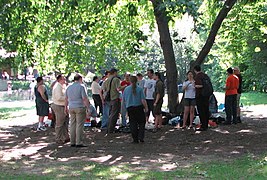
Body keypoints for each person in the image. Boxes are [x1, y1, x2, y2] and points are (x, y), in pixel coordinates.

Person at [65, 74, 91, 147]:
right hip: (79, 107)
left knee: (72, 124)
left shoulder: (68, 87)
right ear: (80, 79)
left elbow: (66, 98)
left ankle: (72, 141)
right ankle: (78, 142)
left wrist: (65, 107)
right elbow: (84, 98)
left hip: (71, 107)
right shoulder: (81, 87)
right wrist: (88, 108)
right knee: (79, 125)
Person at [123, 76, 148, 143]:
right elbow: (143, 100)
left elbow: (124, 100)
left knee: (133, 123)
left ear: (130, 81)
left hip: (130, 108)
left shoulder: (126, 89)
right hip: (139, 107)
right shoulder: (139, 89)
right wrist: (146, 107)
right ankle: (141, 136)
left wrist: (125, 110)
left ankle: (135, 138)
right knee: (142, 122)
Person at [102, 68, 123, 134]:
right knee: (114, 114)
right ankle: (111, 129)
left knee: (110, 114)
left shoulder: (106, 80)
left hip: (109, 99)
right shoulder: (116, 79)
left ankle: (108, 128)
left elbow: (104, 89)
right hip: (115, 98)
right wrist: (125, 86)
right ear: (114, 72)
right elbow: (118, 89)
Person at [51, 75, 70, 145]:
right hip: (59, 106)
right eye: (63, 79)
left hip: (63, 106)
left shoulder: (62, 86)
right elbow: (59, 97)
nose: (65, 80)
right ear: (59, 80)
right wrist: (67, 97)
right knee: (60, 123)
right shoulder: (57, 87)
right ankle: (58, 138)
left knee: (65, 122)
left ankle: (66, 137)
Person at [194, 65, 210, 131]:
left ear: (195, 70)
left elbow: (200, 85)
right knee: (206, 109)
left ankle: (203, 125)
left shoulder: (198, 76)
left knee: (201, 110)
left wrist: (194, 85)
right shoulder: (205, 75)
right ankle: (206, 124)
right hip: (207, 95)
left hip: (200, 95)